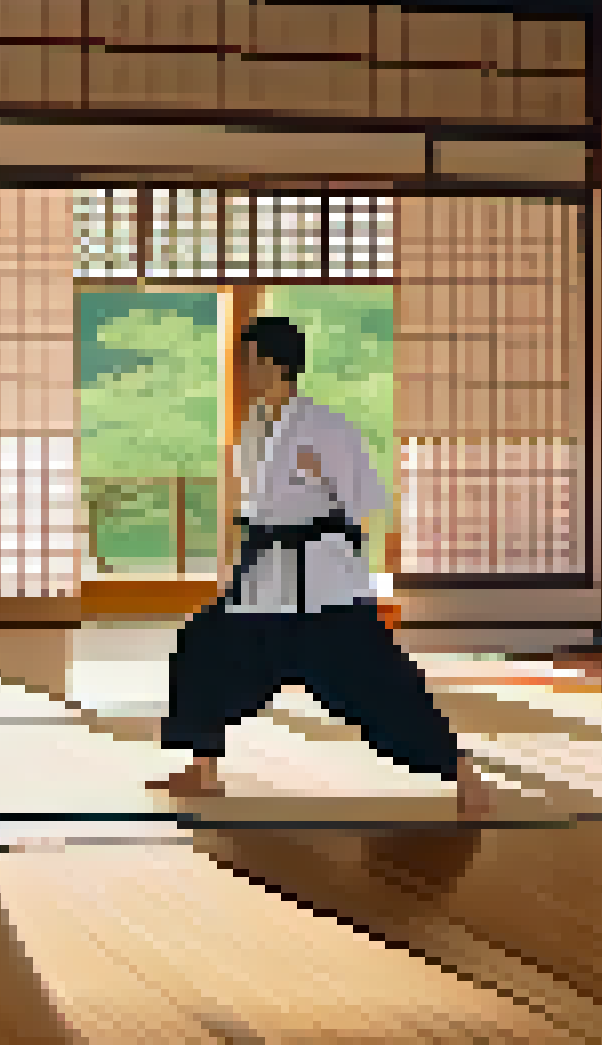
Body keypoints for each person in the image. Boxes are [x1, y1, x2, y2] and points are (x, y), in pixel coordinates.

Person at [147, 316, 491, 816]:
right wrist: (234, 570)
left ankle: (460, 770)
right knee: (205, 647)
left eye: (250, 361)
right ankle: (202, 767)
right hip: (266, 580)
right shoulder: (253, 429)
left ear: (276, 364)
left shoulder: (327, 428)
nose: (244, 371)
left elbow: (364, 504)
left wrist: (343, 544)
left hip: (324, 585)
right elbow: (255, 510)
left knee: (376, 682)